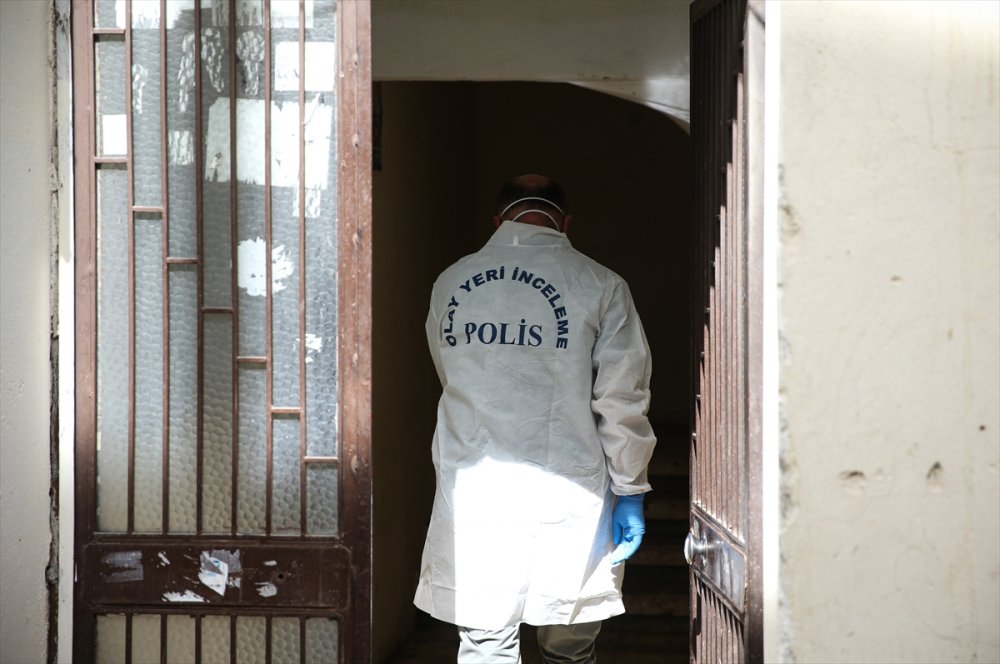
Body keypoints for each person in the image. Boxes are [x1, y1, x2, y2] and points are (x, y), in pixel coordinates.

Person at [414, 174, 657, 663]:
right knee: (569, 645)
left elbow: (450, 374)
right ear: (565, 223)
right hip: (570, 487)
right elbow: (621, 398)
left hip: (477, 485)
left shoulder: (451, 282)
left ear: (497, 221)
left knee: (486, 645)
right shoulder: (600, 284)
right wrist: (631, 488)